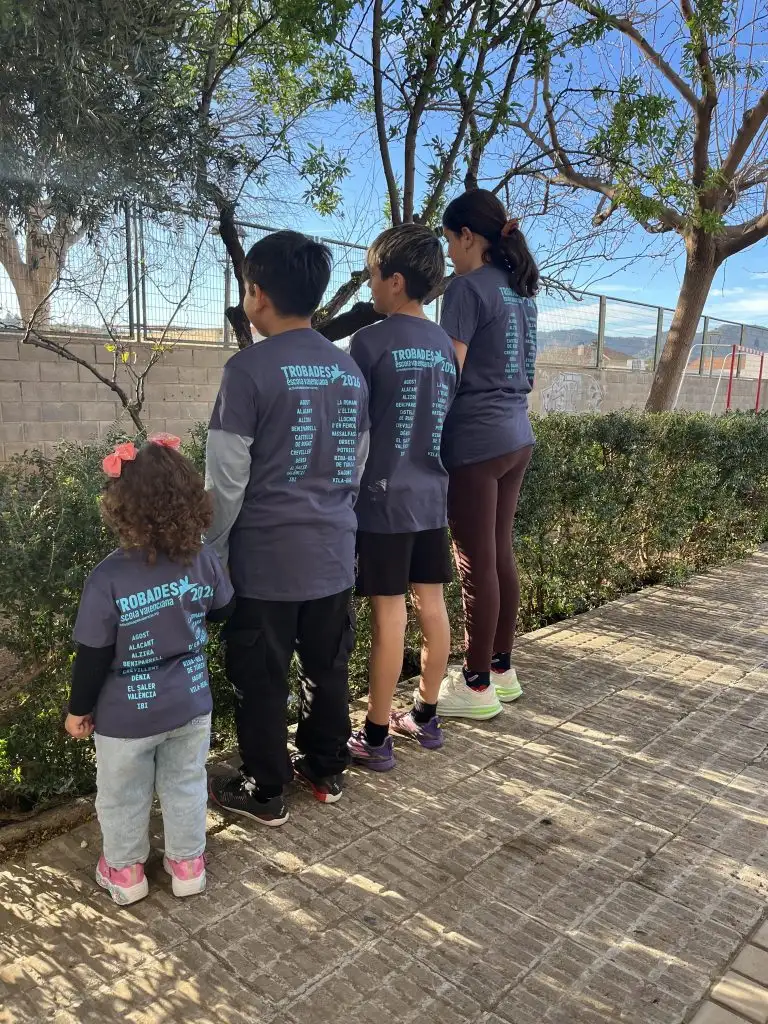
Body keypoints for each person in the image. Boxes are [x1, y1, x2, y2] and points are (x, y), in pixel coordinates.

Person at [205, 230, 369, 824]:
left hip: (265, 563)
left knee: (262, 677)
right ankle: (326, 771)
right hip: (333, 556)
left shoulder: (246, 370)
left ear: (257, 293)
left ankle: (265, 790)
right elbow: (356, 464)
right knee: (327, 667)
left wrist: (213, 550)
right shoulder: (349, 372)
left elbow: (226, 480)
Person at [65, 436, 234, 906]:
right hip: (190, 703)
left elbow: (93, 654)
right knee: (186, 783)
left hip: (125, 718)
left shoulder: (108, 577)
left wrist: (78, 710)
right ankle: (187, 865)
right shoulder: (202, 557)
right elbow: (225, 609)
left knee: (122, 794)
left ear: (122, 507)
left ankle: (125, 873)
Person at [346, 224, 459, 771]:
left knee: (389, 615)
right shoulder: (444, 346)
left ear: (395, 281)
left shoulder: (368, 342)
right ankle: (426, 714)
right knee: (432, 605)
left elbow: (355, 430)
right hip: (431, 496)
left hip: (382, 501)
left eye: (373, 276)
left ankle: (375, 735)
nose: (370, 286)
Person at [437, 189, 538, 719]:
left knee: (475, 561)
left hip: (476, 440)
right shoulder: (520, 291)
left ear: (467, 236)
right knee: (499, 552)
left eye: (450, 241)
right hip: (517, 436)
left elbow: (448, 373)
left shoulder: (465, 289)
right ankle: (501, 670)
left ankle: (475, 685)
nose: (449, 253)